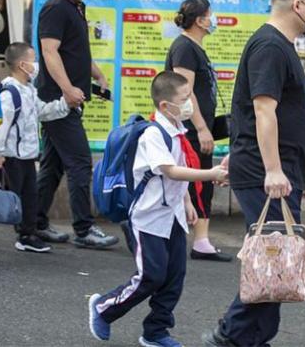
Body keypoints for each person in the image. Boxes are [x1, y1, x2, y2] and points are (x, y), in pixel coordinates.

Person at [201, 0, 305, 347]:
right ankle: (230, 336)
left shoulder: (278, 44)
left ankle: (252, 337)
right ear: (298, 5)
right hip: (270, 172)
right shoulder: (270, 46)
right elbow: (262, 111)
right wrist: (271, 169)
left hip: (272, 168)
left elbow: (250, 116)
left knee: (276, 258)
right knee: (271, 260)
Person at [88, 71, 228, 347]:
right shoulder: (153, 134)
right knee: (151, 276)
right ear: (165, 106)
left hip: (172, 215)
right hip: (147, 218)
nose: (190, 104)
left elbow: (176, 174)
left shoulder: (177, 131)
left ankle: (156, 331)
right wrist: (211, 173)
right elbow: (170, 171)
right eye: (185, 99)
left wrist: (187, 202)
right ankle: (104, 308)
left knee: (174, 276)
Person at [0, 42, 72, 253]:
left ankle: (27, 235)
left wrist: (65, 104)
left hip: (26, 155)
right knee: (5, 195)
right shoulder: (9, 93)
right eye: (33, 59)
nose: (36, 64)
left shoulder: (28, 89)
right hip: (10, 156)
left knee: (30, 195)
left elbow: (43, 112)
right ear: (22, 64)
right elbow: (2, 125)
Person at [35, 0, 118, 248]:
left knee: (53, 165)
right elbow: (49, 51)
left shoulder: (75, 6)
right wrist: (68, 88)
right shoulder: (56, 7)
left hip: (67, 100)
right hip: (58, 102)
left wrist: (96, 74)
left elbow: (75, 50)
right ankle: (84, 229)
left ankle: (34, 223)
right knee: (81, 162)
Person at [164, 0, 231, 262]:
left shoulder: (194, 47)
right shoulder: (184, 48)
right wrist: (202, 128)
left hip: (197, 128)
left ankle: (198, 240)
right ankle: (198, 242)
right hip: (190, 129)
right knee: (198, 182)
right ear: (200, 20)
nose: (213, 19)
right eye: (210, 15)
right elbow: (185, 91)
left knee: (200, 182)